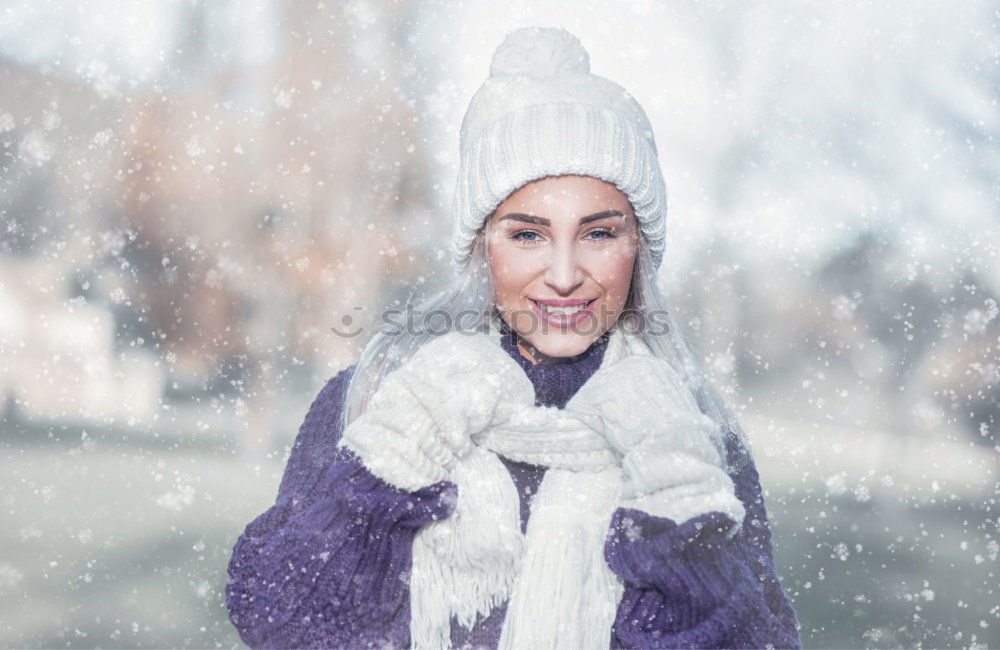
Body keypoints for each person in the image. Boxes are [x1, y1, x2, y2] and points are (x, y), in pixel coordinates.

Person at [225, 25, 802, 650]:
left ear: (638, 250)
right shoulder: (382, 399)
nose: (562, 275)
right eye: (527, 234)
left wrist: (677, 504)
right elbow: (281, 622)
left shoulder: (690, 434)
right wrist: (391, 463)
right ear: (482, 248)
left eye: (598, 233)